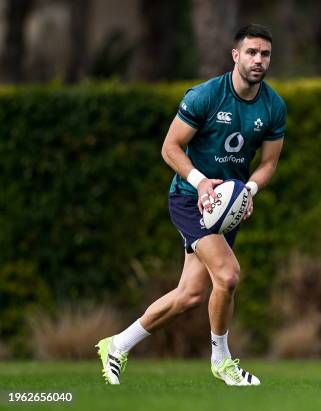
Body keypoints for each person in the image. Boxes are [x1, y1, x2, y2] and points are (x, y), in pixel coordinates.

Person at [95, 23, 286, 387]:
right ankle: (222, 361)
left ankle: (117, 345)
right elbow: (170, 147)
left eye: (265, 54)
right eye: (251, 52)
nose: (258, 60)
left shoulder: (274, 106)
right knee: (228, 276)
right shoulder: (206, 96)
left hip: (227, 205)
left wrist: (248, 191)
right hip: (190, 198)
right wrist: (200, 184)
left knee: (191, 294)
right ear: (236, 55)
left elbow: (269, 162)